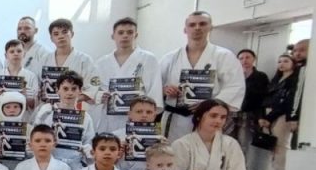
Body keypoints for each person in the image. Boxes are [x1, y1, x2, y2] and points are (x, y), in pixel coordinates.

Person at [160, 11, 244, 139]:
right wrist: (165, 89)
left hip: (208, 119)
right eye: (192, 25)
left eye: (202, 24)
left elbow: (235, 86)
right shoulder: (170, 58)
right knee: (173, 150)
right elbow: (155, 85)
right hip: (175, 120)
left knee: (205, 151)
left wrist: (211, 104)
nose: (197, 28)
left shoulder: (224, 56)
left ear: (211, 27)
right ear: (185, 29)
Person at [92, 17, 163, 132]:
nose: (125, 36)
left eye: (130, 32)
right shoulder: (101, 63)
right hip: (108, 119)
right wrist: (100, 96)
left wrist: (147, 115)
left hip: (138, 119)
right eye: (120, 32)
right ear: (113, 36)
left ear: (136, 35)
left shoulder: (148, 59)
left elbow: (155, 92)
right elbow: (93, 90)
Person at [32, 71, 95, 170]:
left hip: (75, 167)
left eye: (74, 89)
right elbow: (35, 139)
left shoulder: (86, 118)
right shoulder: (47, 112)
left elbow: (89, 143)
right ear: (57, 90)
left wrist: (88, 150)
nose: (69, 93)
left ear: (80, 91)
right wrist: (39, 119)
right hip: (50, 165)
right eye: (65, 89)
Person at [260, 53, 299, 170]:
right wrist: (263, 116)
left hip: (282, 115)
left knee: (280, 144)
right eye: (280, 61)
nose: (282, 64)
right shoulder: (276, 79)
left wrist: (269, 117)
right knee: (270, 144)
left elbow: (287, 102)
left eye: (286, 61)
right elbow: (266, 98)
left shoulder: (294, 80)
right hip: (268, 113)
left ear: (293, 64)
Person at [227, 48, 271, 161]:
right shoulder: (232, 75)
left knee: (243, 143)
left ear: (254, 59)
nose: (244, 60)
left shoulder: (260, 76)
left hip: (249, 114)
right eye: (241, 58)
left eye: (247, 57)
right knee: (228, 141)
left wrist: (261, 116)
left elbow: (263, 98)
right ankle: (227, 168)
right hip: (231, 112)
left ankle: (242, 169)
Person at [43, 18, 98, 103]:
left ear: (72, 34)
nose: (61, 36)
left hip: (75, 107)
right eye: (56, 34)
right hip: (48, 106)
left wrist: (74, 99)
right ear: (51, 38)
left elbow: (93, 85)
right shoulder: (45, 59)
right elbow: (39, 85)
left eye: (64, 32)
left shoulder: (84, 60)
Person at [0, 40, 40, 116]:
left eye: (19, 51)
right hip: (2, 118)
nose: (16, 54)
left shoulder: (31, 76)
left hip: (24, 118)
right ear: (6, 55)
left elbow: (35, 104)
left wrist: (25, 97)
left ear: (24, 54)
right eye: (12, 52)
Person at [113, 96, 159, 170]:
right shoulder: (115, 136)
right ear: (129, 114)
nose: (144, 115)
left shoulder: (160, 139)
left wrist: (163, 152)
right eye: (139, 111)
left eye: (149, 112)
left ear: (154, 115)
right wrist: (115, 154)